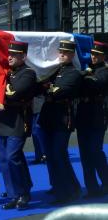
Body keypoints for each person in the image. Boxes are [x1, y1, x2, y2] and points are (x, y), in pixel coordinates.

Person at [38, 40, 81, 204]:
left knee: (58, 155)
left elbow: (59, 92)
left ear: (71, 55)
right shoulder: (54, 71)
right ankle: (62, 186)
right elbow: (43, 87)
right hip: (48, 117)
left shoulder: (74, 73)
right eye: (60, 52)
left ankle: (67, 192)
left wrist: (47, 88)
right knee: (51, 155)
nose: (61, 54)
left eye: (65, 52)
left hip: (62, 118)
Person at [0, 40, 37, 210]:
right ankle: (14, 194)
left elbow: (14, 94)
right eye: (9, 54)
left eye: (14, 55)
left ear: (23, 56)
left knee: (13, 156)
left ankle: (23, 193)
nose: (10, 57)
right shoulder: (8, 73)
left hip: (18, 120)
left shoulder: (28, 73)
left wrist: (0, 90)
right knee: (6, 159)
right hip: (3, 119)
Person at [76, 41, 108, 197]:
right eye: (92, 54)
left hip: (97, 116)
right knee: (84, 154)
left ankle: (106, 182)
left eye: (97, 55)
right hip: (83, 115)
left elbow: (96, 83)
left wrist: (80, 77)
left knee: (95, 151)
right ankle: (92, 188)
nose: (93, 57)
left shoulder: (104, 71)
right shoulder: (88, 70)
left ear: (103, 56)